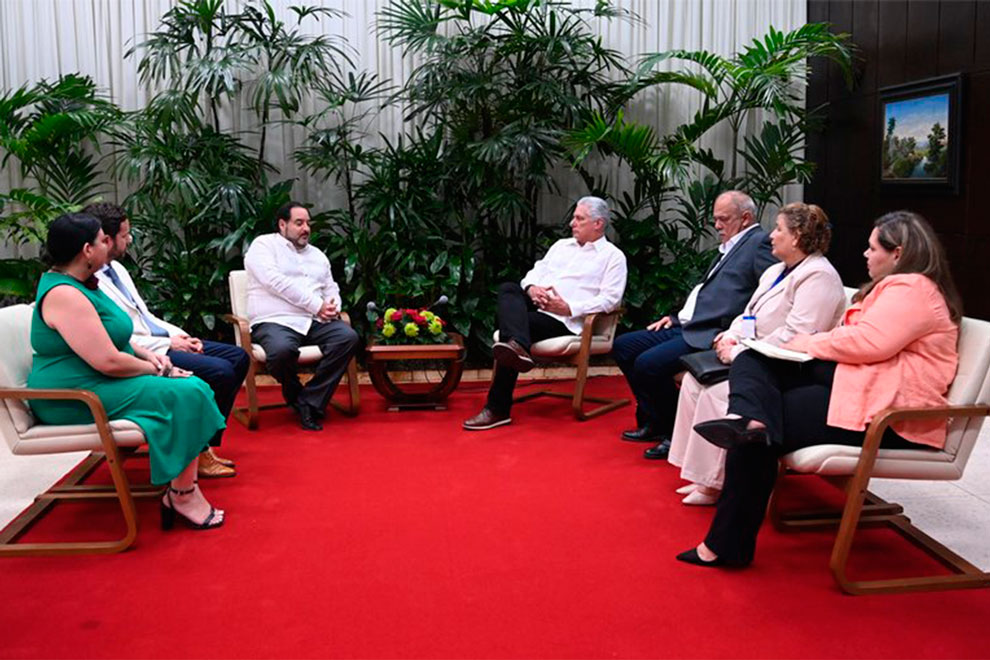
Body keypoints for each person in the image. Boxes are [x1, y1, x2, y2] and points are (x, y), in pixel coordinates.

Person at [681, 211, 962, 567]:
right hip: (862, 392)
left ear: (898, 253)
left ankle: (727, 543)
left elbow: (869, 343)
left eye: (872, 247)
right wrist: (815, 343)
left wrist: (807, 343)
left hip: (892, 416)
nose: (865, 254)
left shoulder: (913, 288)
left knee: (758, 430)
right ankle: (748, 419)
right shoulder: (898, 288)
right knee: (752, 366)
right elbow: (856, 341)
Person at [27, 213, 227, 530]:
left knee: (193, 389)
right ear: (87, 250)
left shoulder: (83, 285)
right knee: (188, 392)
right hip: (74, 394)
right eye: (102, 240)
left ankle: (181, 490)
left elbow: (116, 339)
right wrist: (158, 370)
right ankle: (183, 494)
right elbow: (107, 360)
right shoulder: (65, 294)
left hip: (98, 381)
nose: (109, 244)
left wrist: (149, 354)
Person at [666, 203, 846, 505]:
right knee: (693, 383)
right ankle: (698, 475)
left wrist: (740, 351)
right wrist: (730, 337)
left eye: (779, 229)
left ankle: (715, 483)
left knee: (717, 392)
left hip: (788, 367)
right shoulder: (776, 270)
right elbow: (746, 314)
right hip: (753, 354)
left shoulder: (819, 276)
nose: (771, 235)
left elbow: (797, 335)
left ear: (798, 235)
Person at [85, 203, 249, 479]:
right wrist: (168, 345)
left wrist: (179, 335)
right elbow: (119, 337)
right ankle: (195, 449)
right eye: (125, 235)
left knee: (238, 357)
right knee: (219, 372)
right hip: (143, 352)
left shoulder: (118, 269)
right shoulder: (89, 282)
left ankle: (204, 444)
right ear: (106, 239)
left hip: (159, 341)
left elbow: (144, 315)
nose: (130, 241)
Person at [612, 191, 776, 458]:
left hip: (711, 331)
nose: (717, 225)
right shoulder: (732, 245)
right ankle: (654, 420)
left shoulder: (759, 243)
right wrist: (677, 317)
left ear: (745, 218)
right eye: (715, 219)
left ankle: (672, 430)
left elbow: (767, 293)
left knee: (648, 365)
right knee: (623, 346)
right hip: (690, 324)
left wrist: (734, 328)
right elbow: (708, 292)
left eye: (723, 219)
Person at [462, 196, 627, 430]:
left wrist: (569, 307)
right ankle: (517, 347)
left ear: (598, 224)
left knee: (514, 330)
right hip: (536, 308)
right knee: (510, 288)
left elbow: (610, 300)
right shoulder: (561, 247)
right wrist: (532, 289)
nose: (572, 223)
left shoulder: (613, 257)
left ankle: (497, 408)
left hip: (565, 321)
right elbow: (533, 274)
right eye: (574, 218)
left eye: (579, 218)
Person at [243, 201, 360, 431]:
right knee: (281, 351)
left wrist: (333, 306)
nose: (306, 228)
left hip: (314, 321)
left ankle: (309, 401)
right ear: (282, 224)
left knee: (348, 337)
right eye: (299, 223)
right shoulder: (263, 246)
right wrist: (316, 304)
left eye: (308, 223)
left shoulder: (317, 255)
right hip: (275, 320)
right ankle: (295, 391)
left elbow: (330, 286)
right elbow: (275, 281)